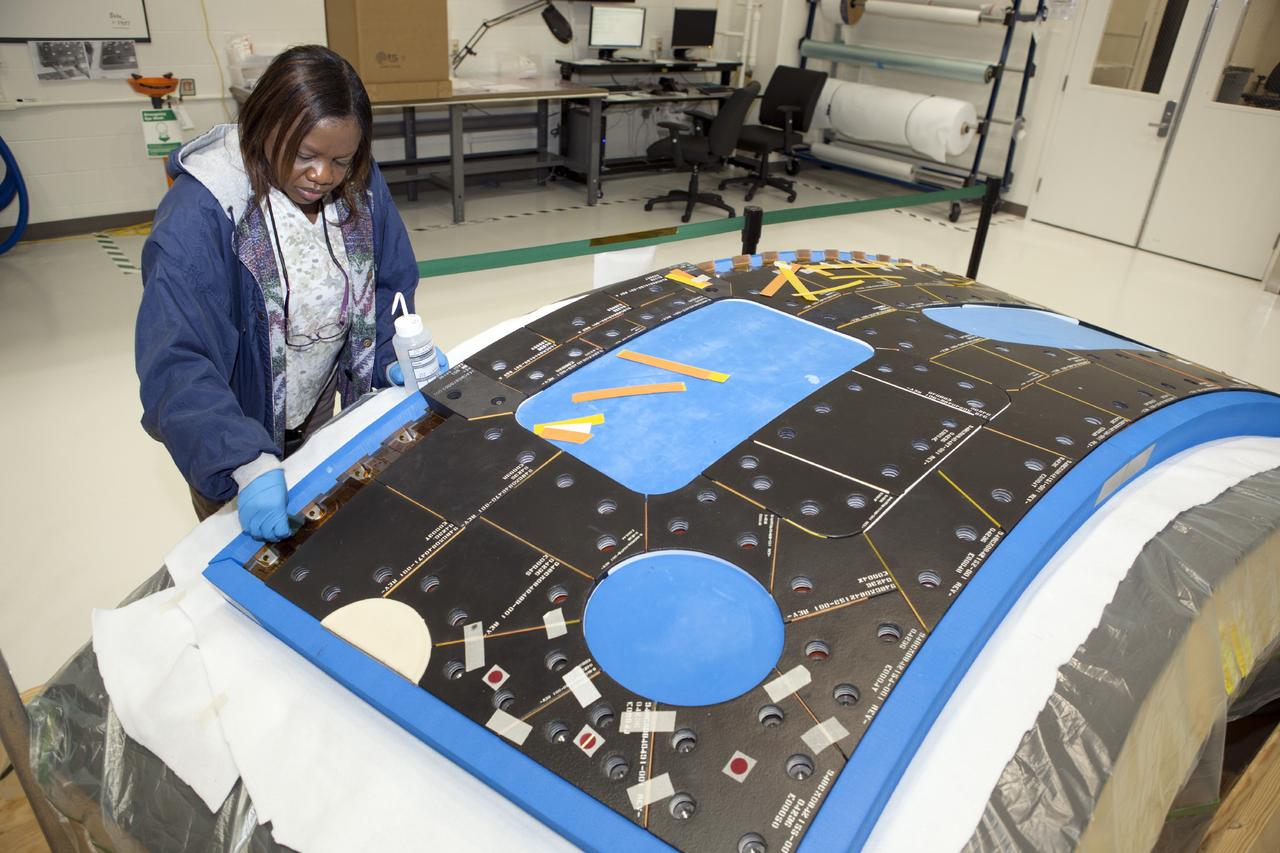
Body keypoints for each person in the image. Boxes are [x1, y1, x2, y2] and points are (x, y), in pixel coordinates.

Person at [136, 45, 439, 542]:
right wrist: (242, 460)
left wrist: (391, 353)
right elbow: (176, 359)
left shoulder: (357, 181)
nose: (323, 176)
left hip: (315, 412)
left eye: (340, 159)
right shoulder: (201, 213)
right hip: (231, 430)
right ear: (262, 126)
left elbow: (388, 280)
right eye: (305, 156)